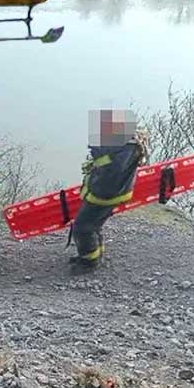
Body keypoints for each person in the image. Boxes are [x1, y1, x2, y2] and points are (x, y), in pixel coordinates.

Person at [69, 110, 148, 272]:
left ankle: (89, 263)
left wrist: (99, 153)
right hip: (106, 191)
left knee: (82, 227)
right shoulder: (126, 145)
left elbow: (113, 169)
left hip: (106, 194)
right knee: (93, 225)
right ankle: (93, 255)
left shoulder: (127, 148)